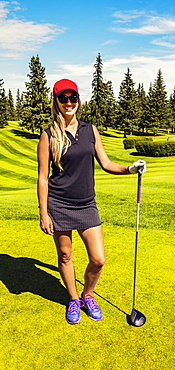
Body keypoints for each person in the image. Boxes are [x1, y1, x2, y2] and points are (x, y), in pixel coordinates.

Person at [37, 78, 146, 324]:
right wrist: (44, 213)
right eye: (63, 98)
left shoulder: (90, 130)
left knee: (98, 259)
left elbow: (106, 164)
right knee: (65, 255)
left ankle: (88, 294)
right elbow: (43, 178)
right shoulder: (48, 136)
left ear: (78, 100)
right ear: (56, 101)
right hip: (59, 203)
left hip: (86, 204)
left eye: (73, 97)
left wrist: (130, 168)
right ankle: (74, 299)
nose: (69, 103)